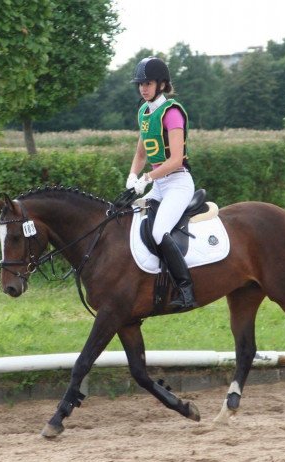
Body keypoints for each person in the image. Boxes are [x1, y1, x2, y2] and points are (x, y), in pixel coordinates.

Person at [126, 56, 196, 309]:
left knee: (158, 231)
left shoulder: (172, 112)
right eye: (140, 84)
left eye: (148, 83)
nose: (143, 88)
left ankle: (186, 289)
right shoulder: (145, 112)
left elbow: (176, 160)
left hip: (177, 183)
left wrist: (146, 178)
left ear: (162, 84)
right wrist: (132, 176)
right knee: (130, 219)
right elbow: (142, 153)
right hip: (158, 184)